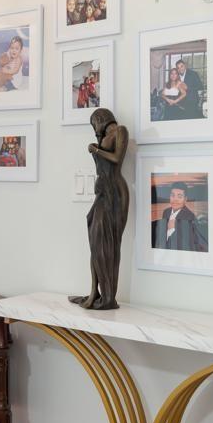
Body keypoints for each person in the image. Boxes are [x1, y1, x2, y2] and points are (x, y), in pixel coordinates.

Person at [69, 108, 131, 311]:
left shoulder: (120, 131)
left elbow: (116, 159)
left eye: (94, 123)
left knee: (108, 246)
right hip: (103, 192)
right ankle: (95, 292)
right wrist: (97, 145)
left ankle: (108, 297)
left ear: (100, 119)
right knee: (96, 243)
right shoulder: (104, 137)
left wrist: (96, 150)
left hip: (114, 193)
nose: (95, 129)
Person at [152, 184, 207, 252]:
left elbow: (187, 243)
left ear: (185, 199)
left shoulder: (190, 216)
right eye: (172, 195)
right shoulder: (166, 212)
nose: (175, 199)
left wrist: (172, 229)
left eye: (179, 196)